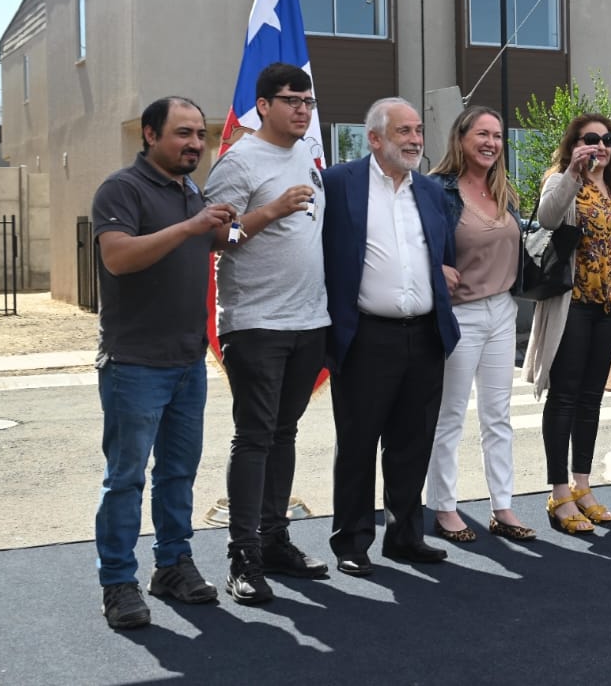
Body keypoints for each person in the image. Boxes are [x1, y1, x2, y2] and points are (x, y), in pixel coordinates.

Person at [91, 96, 236, 629]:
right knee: (125, 479)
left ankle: (173, 565)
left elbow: (219, 241)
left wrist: (265, 214)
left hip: (186, 362)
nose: (195, 143)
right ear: (150, 135)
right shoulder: (121, 189)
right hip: (134, 364)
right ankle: (118, 582)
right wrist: (192, 226)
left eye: (199, 134)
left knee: (178, 475)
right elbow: (118, 257)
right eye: (182, 133)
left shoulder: (191, 191)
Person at [204, 62, 330, 605]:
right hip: (256, 324)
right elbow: (215, 236)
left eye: (308, 101)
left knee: (284, 435)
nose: (302, 110)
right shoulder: (240, 160)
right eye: (291, 101)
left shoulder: (305, 152)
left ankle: (276, 541)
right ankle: (244, 557)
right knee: (255, 438)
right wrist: (271, 211)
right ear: (263, 106)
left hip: (309, 321)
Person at [322, 97, 460, 576]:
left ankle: (405, 537)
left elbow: (440, 250)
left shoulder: (430, 190)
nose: (415, 139)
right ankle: (352, 542)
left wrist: (444, 274)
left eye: (418, 130)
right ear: (375, 138)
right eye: (404, 131)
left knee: (412, 442)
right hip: (365, 337)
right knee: (358, 443)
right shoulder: (340, 184)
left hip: (424, 336)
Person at [523, 115, 611, 533]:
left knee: (591, 399)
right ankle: (558, 494)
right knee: (565, 398)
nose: (601, 146)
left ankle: (582, 487)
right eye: (591, 139)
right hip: (574, 304)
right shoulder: (560, 179)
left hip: (609, 308)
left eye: (607, 139)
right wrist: (572, 172)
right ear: (574, 144)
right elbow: (549, 218)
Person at [427, 106, 535, 543]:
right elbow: (415, 242)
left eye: (498, 135)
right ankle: (444, 508)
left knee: (498, 418)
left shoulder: (503, 190)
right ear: (462, 138)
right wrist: (433, 267)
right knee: (449, 416)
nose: (491, 142)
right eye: (482, 134)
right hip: (460, 314)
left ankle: (502, 507)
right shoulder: (439, 191)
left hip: (501, 311)